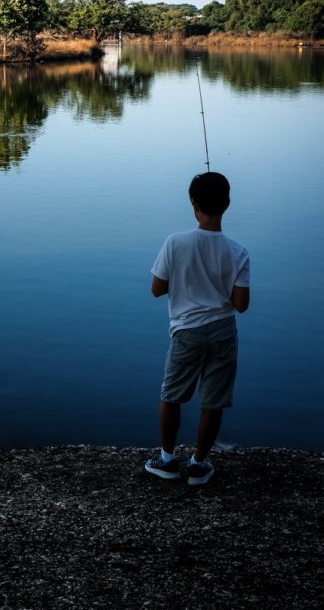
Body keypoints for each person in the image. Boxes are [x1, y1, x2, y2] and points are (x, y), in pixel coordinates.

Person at [145, 172, 250, 486]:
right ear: (227, 204)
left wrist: (186, 278)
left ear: (194, 205)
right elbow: (241, 304)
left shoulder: (176, 242)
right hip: (223, 332)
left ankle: (166, 460)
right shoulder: (239, 251)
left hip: (187, 332)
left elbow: (156, 288)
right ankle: (199, 464)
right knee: (213, 401)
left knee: (172, 396)